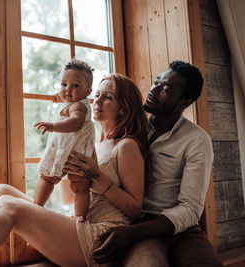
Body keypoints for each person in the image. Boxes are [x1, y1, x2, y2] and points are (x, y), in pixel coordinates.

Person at [0, 73, 148, 267]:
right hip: (76, 223)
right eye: (98, 95)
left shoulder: (126, 146)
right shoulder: (93, 142)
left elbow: (134, 208)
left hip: (100, 238)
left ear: (124, 108)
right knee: (0, 191)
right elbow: (69, 197)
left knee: (10, 206)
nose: (97, 102)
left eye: (108, 97)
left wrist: (96, 176)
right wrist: (62, 167)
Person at [91, 61, 224, 267]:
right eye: (156, 82)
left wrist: (131, 233)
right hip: (137, 225)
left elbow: (190, 208)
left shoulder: (197, 139)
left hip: (181, 231)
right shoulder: (133, 126)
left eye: (166, 89)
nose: (153, 90)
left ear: (183, 103)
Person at [33, 59, 95, 221]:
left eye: (75, 86)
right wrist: (59, 97)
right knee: (80, 187)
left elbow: (75, 122)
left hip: (68, 152)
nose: (68, 89)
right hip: (77, 153)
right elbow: (66, 99)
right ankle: (80, 217)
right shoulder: (75, 102)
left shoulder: (78, 107)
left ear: (87, 91)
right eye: (64, 85)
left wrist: (53, 126)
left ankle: (37, 205)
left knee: (47, 178)